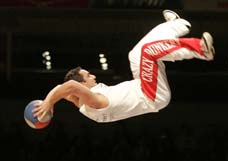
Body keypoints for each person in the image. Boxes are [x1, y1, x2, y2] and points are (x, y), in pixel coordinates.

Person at [33, 10, 214, 123]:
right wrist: (50, 101)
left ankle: (176, 25)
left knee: (135, 54)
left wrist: (47, 103)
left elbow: (63, 89)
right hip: (151, 94)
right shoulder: (94, 103)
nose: (93, 77)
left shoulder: (80, 101)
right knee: (148, 52)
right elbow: (69, 87)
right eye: (88, 76)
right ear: (82, 85)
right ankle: (201, 49)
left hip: (143, 87)